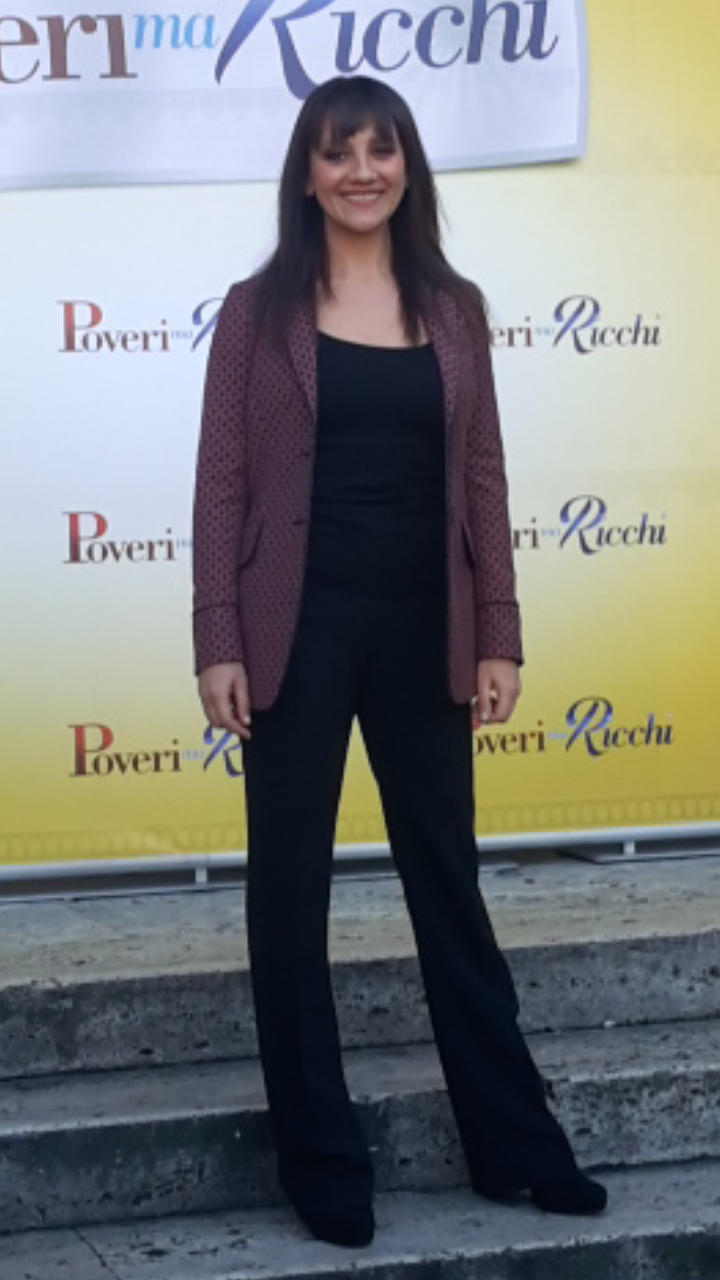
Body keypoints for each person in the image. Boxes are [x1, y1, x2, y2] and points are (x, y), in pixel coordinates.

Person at [192, 74, 607, 1249]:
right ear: (306, 174)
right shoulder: (258, 311)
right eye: (337, 153)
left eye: (381, 150)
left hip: (427, 624)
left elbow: (484, 474)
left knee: (448, 885)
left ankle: (516, 1145)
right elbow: (221, 482)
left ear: (408, 166)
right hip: (296, 625)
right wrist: (217, 637)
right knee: (289, 894)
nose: (361, 171)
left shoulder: (455, 308)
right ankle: (322, 1162)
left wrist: (500, 630)